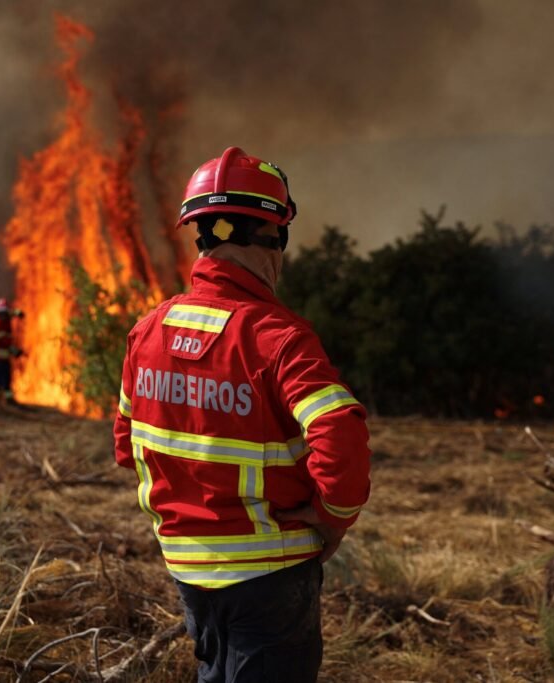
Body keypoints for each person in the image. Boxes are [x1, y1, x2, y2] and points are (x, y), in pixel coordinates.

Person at [113, 147, 372, 683]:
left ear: (201, 236)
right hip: (270, 570)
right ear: (270, 237)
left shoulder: (148, 330)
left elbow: (125, 444)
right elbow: (339, 433)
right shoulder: (277, 337)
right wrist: (332, 518)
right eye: (280, 238)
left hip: (187, 566)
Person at [0, 297, 24, 402]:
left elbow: (13, 313)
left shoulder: (7, 317)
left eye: (5, 313)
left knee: (4, 376)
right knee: (1, 376)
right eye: (1, 313)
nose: (3, 315)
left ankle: (0, 396)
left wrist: (19, 313)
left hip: (5, 353)